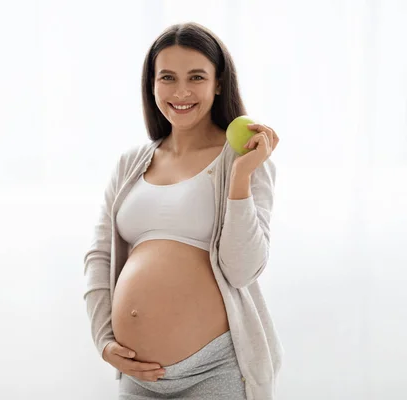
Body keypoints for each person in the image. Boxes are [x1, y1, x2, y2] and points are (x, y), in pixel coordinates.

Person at [83, 22, 283, 400]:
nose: (181, 92)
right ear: (152, 85)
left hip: (216, 370)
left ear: (218, 83)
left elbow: (242, 270)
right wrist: (103, 341)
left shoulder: (246, 160)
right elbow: (99, 255)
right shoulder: (130, 163)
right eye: (168, 78)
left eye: (196, 77)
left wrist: (240, 179)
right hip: (139, 376)